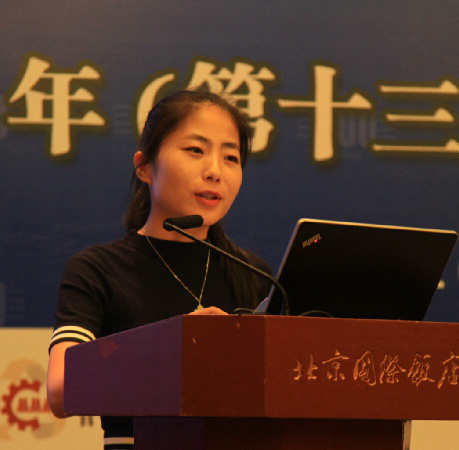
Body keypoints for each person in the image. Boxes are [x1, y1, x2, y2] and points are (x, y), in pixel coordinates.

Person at [46, 89, 272, 450]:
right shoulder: (97, 270)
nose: (215, 171)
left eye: (230, 157)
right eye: (195, 150)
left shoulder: (256, 275)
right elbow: (60, 391)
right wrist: (175, 349)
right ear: (145, 167)